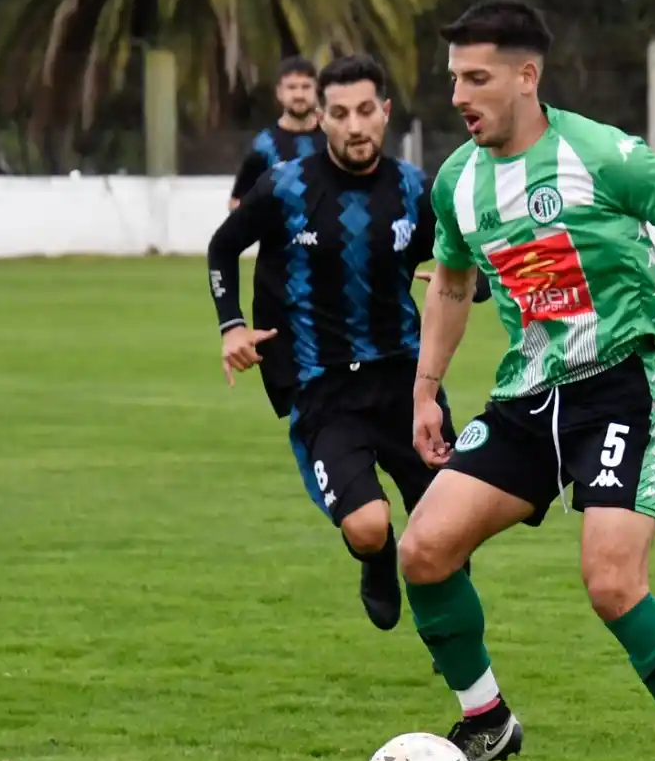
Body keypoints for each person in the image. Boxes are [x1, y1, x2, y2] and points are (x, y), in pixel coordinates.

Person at [397, 0, 655, 761]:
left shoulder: (600, 155)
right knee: (423, 548)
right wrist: (426, 386)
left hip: (619, 387)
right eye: (453, 79)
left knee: (612, 580)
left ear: (528, 76)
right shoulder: (458, 181)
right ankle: (486, 716)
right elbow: (450, 281)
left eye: (476, 79)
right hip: (526, 398)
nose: (459, 96)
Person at [206, 53, 487, 632]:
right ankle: (377, 559)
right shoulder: (286, 187)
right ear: (322, 120)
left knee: (449, 530)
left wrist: (469, 284)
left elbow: (468, 274)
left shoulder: (416, 189)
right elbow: (222, 247)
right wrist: (231, 323)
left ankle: (455, 646)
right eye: (340, 113)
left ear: (384, 113)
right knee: (367, 524)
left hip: (408, 384)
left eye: (365, 111)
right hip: (323, 388)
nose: (355, 125)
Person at [229, 56, 326, 209]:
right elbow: (236, 203)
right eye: (292, 87)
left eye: (306, 87)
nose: (299, 95)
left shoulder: (332, 140)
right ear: (279, 92)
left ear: (317, 90)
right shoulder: (264, 146)